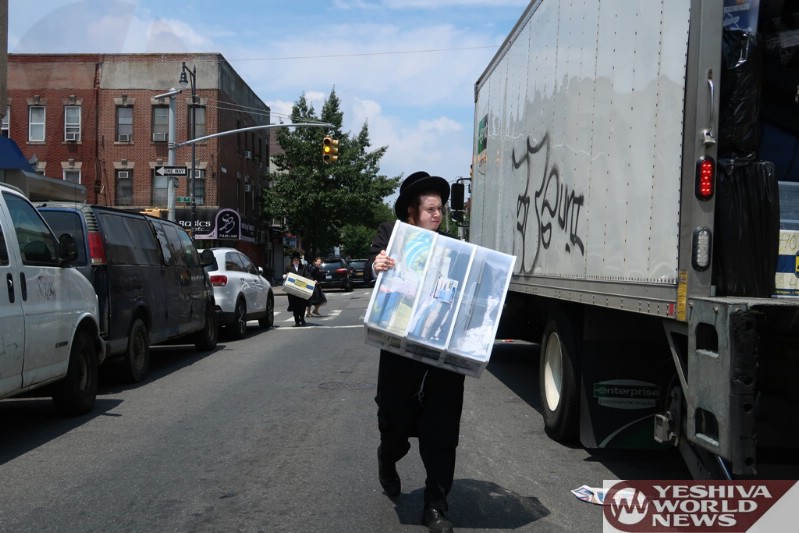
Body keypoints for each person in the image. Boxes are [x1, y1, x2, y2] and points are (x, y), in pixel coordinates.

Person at [366, 171, 464, 533]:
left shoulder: (454, 247)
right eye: (431, 209)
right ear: (412, 212)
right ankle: (387, 458)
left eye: (441, 209)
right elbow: (373, 264)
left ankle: (435, 506)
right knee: (393, 426)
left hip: (442, 355)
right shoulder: (391, 237)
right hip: (400, 353)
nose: (438, 215)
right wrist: (376, 265)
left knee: (442, 432)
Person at [283, 252, 309, 327]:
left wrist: (313, 280)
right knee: (294, 305)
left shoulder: (303, 267)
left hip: (301, 289)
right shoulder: (288, 267)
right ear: (292, 260)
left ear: (299, 260)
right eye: (295, 260)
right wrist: (286, 275)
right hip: (292, 289)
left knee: (302, 305)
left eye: (297, 260)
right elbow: (283, 275)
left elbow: (307, 275)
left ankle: (302, 319)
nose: (296, 261)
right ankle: (297, 321)